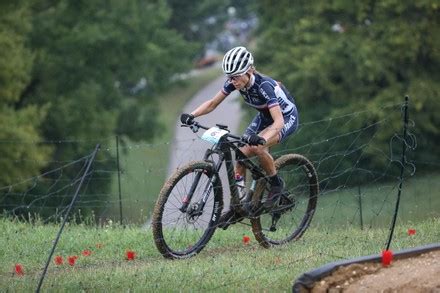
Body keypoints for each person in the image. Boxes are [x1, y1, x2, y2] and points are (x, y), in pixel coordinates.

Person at [180, 46, 299, 209]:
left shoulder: (264, 86)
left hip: (285, 117)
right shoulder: (234, 83)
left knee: (258, 147)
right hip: (265, 117)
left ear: (248, 71)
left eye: (235, 77)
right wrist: (192, 115)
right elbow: (213, 103)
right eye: (229, 77)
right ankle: (240, 202)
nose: (232, 81)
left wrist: (262, 139)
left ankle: (276, 183)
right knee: (241, 154)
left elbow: (278, 122)